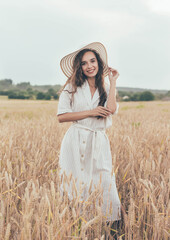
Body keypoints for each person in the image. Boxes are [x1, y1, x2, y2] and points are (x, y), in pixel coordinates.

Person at [57, 42, 121, 223]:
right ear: (80, 67)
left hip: (98, 141)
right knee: (76, 184)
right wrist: (91, 112)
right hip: (75, 140)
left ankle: (112, 225)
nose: (89, 66)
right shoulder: (71, 88)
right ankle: (77, 224)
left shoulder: (106, 88)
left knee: (105, 182)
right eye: (84, 63)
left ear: (99, 63)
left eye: (92, 61)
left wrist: (113, 82)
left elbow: (111, 109)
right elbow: (61, 116)